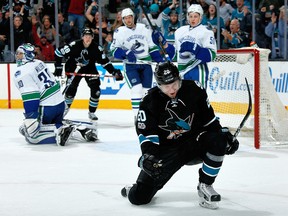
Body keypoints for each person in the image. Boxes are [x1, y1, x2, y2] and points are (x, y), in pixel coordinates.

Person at [120, 61, 239, 209]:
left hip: (194, 142)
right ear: (158, 85)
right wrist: (148, 157)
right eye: (166, 86)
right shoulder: (149, 101)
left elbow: (209, 121)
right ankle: (133, 188)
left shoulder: (195, 89)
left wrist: (224, 137)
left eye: (174, 84)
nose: (172, 89)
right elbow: (147, 135)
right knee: (139, 198)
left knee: (219, 139)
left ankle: (205, 185)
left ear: (179, 79)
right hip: (167, 151)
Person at [13, 43, 98, 146]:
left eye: (20, 54)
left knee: (31, 135)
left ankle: (60, 131)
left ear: (27, 55)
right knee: (51, 124)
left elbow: (32, 97)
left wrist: (31, 117)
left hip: (47, 108)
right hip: (60, 104)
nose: (17, 56)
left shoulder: (21, 73)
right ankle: (82, 129)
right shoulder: (39, 63)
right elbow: (55, 84)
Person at [54, 27, 123, 121]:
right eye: (85, 36)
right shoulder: (74, 45)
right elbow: (58, 52)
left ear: (92, 37)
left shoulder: (97, 48)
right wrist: (58, 66)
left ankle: (92, 112)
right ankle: (64, 110)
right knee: (70, 91)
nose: (87, 38)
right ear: (82, 37)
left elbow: (105, 62)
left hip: (89, 69)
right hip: (74, 68)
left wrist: (114, 71)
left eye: (89, 36)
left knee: (96, 91)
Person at [110, 8, 165, 116]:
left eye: (130, 17)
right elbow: (114, 50)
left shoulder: (143, 28)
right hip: (131, 65)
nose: (128, 20)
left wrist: (159, 60)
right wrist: (125, 53)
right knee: (136, 88)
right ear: (123, 20)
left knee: (146, 91)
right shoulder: (119, 32)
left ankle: (147, 115)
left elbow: (151, 46)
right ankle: (137, 116)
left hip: (146, 64)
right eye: (125, 18)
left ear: (133, 17)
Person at [152, 4, 217, 88]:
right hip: (182, 72)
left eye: (195, 16)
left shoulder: (206, 32)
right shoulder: (180, 31)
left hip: (197, 69)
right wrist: (163, 43)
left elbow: (212, 55)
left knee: (198, 99)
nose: (192, 19)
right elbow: (175, 55)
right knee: (184, 100)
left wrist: (196, 49)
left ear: (200, 17)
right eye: (190, 16)